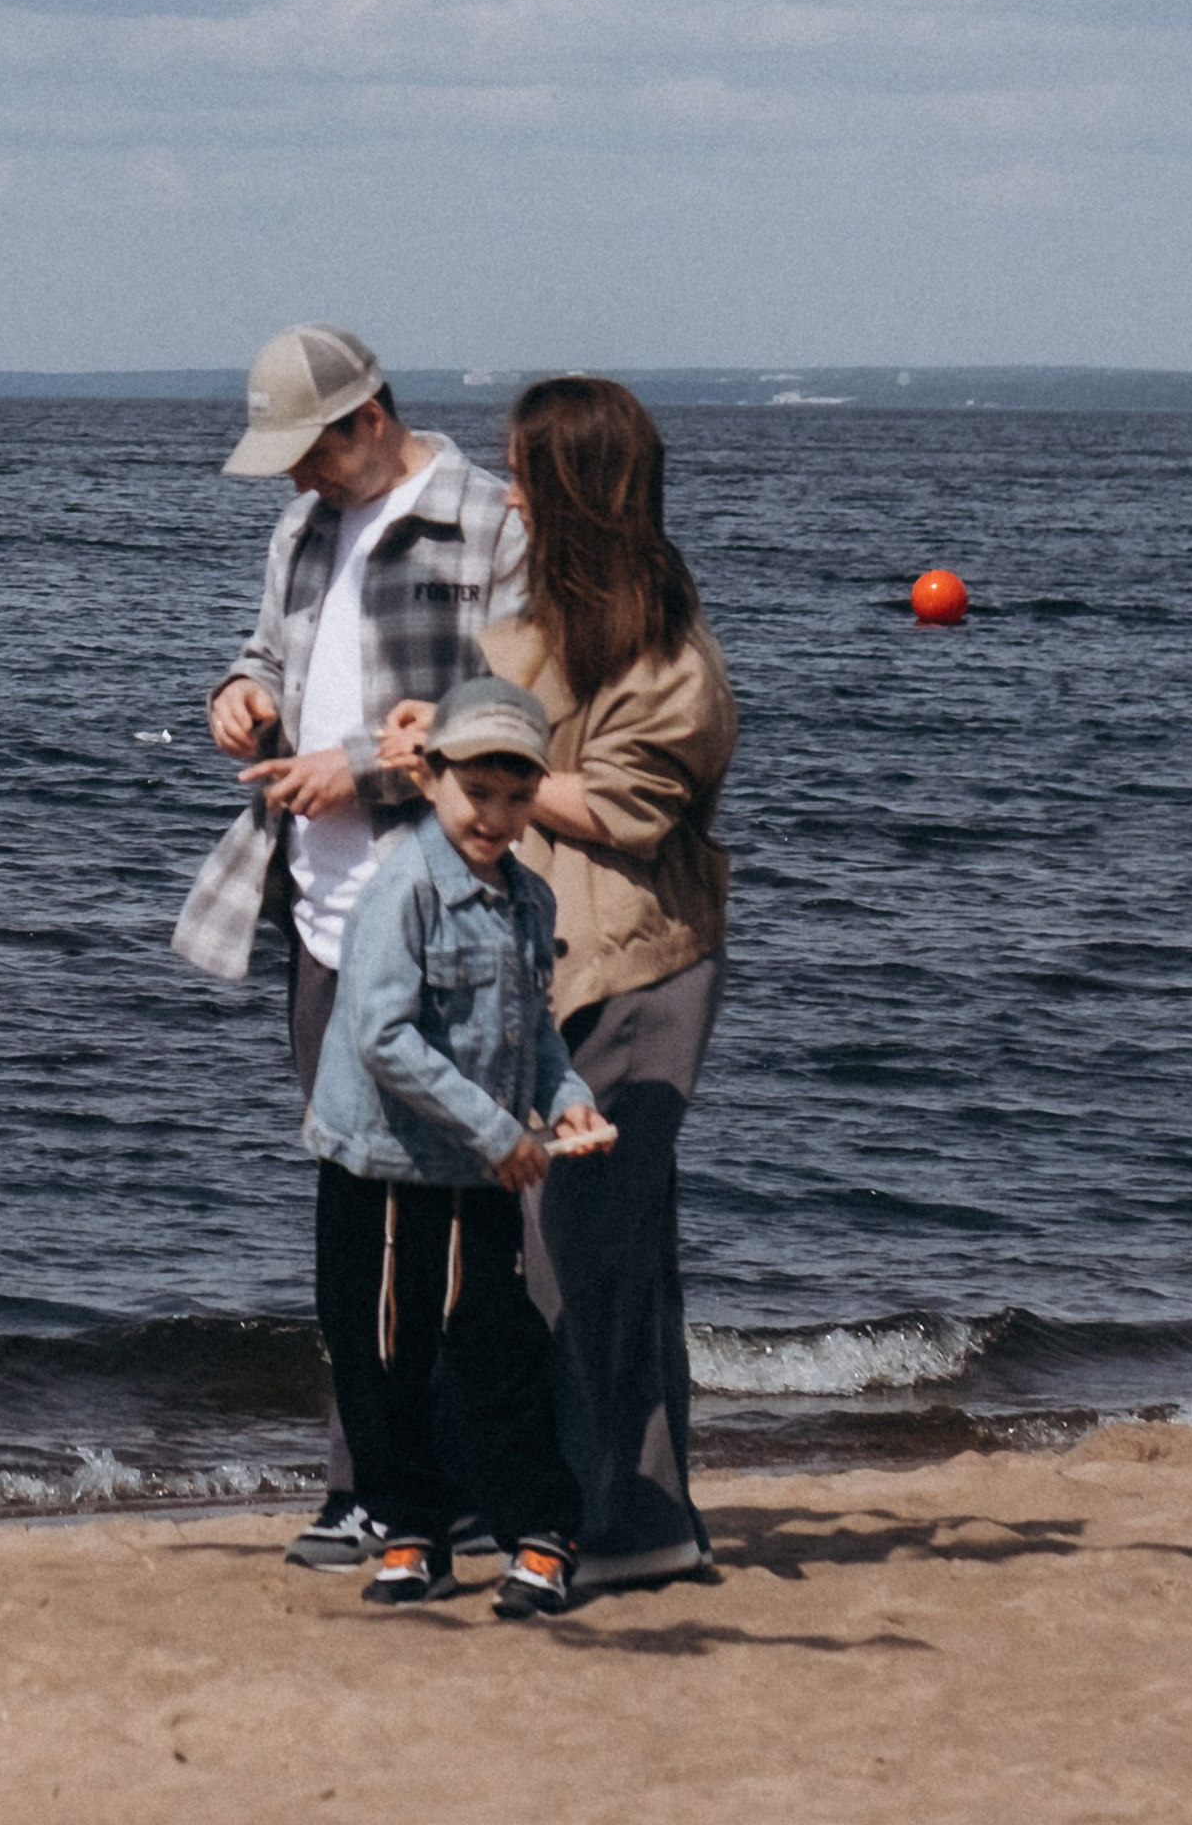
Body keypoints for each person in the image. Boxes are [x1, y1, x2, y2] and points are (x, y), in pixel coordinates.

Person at [174, 322, 526, 1566]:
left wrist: (366, 765)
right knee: (355, 1223)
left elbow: (517, 720)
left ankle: (445, 1488)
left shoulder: (488, 525)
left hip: (440, 921)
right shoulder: (306, 525)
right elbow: (272, 650)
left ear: (367, 416)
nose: (289, 478)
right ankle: (372, 1482)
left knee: (440, 1224)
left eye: (304, 452)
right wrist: (241, 694)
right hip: (317, 919)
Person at [484, 373, 737, 1591]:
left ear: (572, 486)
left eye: (525, 471)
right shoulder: (536, 623)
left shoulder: (668, 651)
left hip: (639, 970)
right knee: (582, 1249)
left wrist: (471, 767)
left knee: (590, 1249)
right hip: (554, 972)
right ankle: (603, 1505)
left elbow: (627, 812)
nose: (510, 491)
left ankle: (634, 1524)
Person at [304, 676, 611, 1617]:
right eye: (478, 791)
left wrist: (565, 1102)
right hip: (383, 1167)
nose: (498, 815)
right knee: (380, 1356)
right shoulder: (403, 889)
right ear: (433, 777)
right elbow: (382, 1036)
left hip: (478, 1168)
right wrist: (494, 1130)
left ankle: (542, 1533)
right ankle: (412, 1532)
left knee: (494, 1349)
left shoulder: (529, 901)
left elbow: (536, 1032)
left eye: (519, 796)